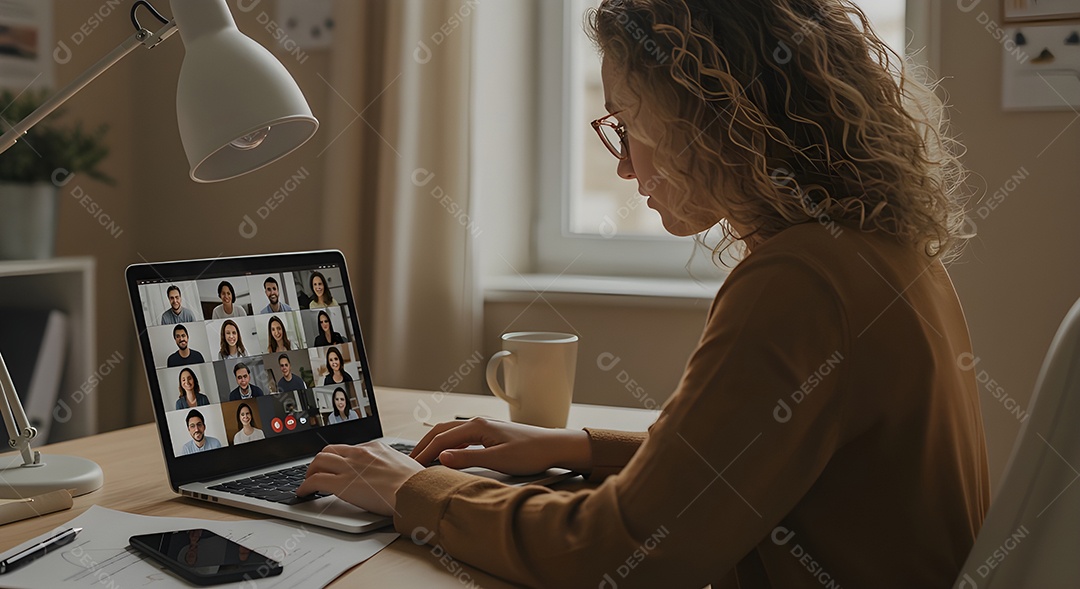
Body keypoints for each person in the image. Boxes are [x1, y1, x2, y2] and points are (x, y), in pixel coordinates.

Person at [297, 2, 989, 587]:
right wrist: (573, 445)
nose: (624, 164)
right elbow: (733, 472)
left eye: (627, 124)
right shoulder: (878, 250)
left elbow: (619, 553)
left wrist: (406, 488)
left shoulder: (800, 283)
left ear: (714, 113)